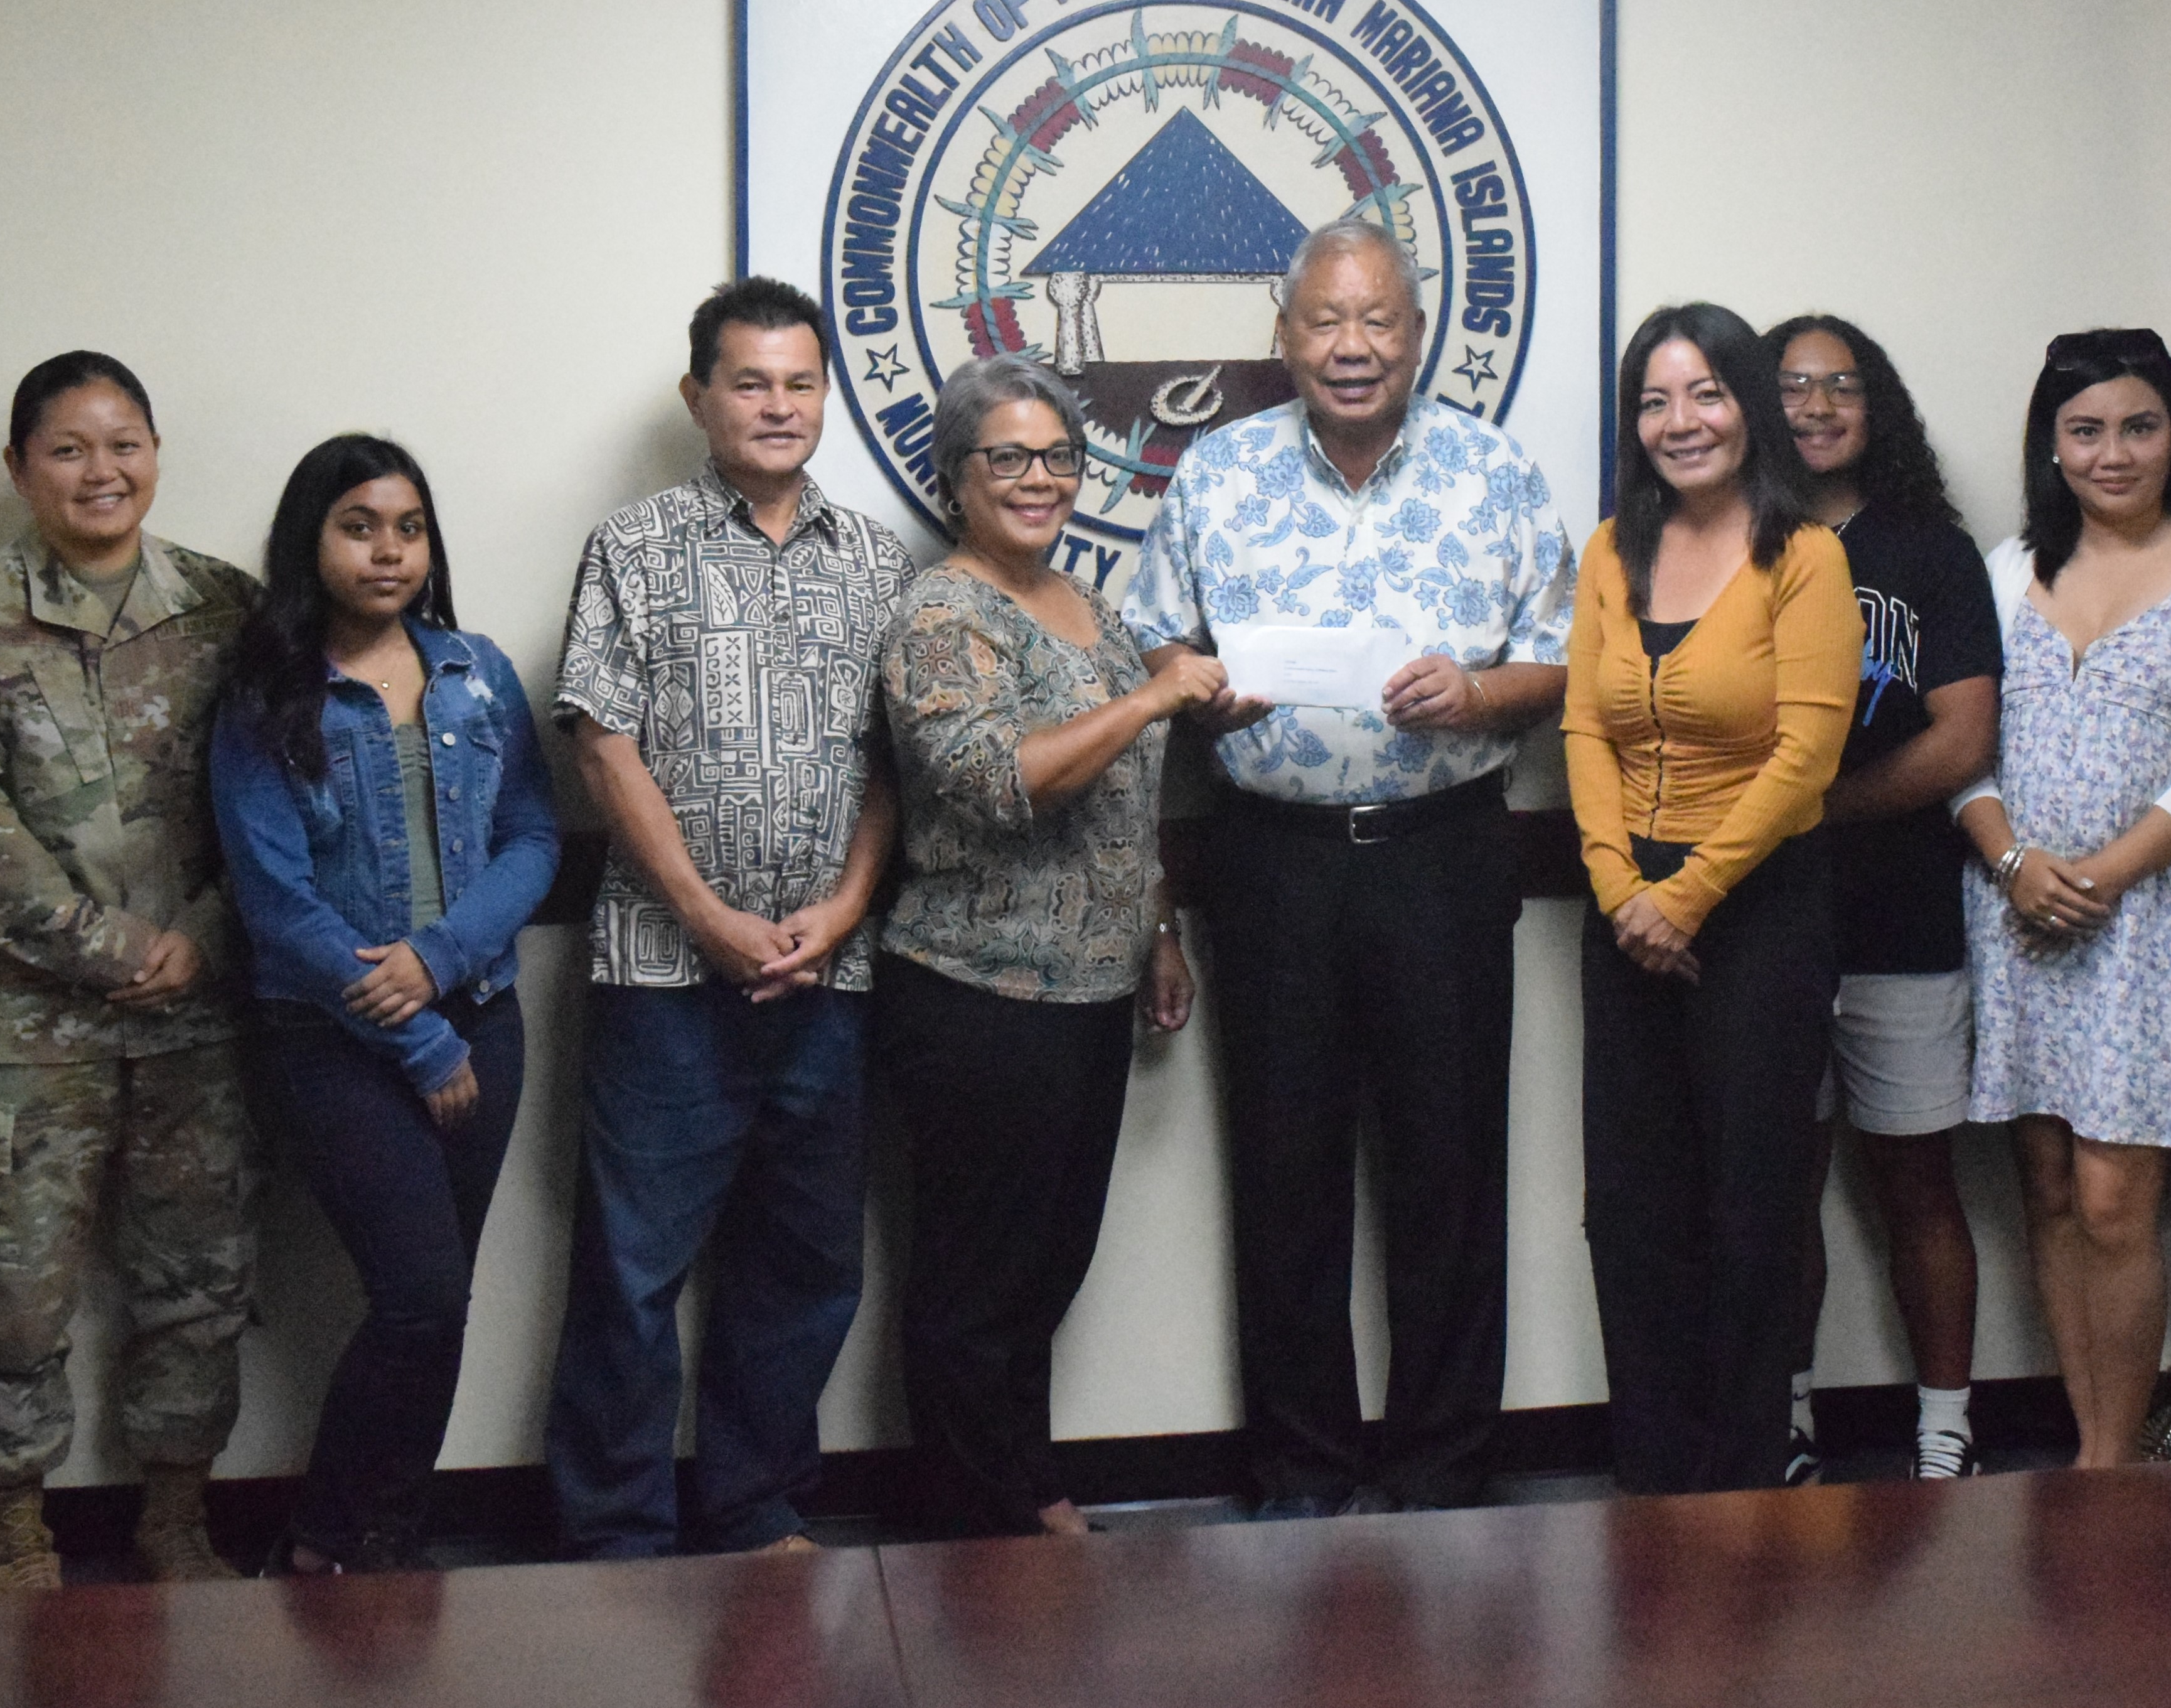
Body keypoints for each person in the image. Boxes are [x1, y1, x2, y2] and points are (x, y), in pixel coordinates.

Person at [1123, 219, 1572, 1517]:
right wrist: (1197, 693)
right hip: (1272, 866)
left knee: (1448, 1173)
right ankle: (1301, 1469)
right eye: (1324, 320)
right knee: (1283, 1176)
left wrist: (1478, 690)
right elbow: (1152, 649)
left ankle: (1443, 1469)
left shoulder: (1492, 470)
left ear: (1417, 332)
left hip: (1442, 858)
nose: (1351, 345)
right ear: (1282, 334)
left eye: (1377, 319)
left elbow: (1557, 657)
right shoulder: (1216, 473)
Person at [547, 278, 911, 1557]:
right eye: (748, 381)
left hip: (829, 974)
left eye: (798, 382)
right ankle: (613, 1533)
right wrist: (703, 913)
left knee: (804, 1268)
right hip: (663, 974)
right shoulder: (634, 545)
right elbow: (601, 741)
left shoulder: (873, 561)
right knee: (631, 1275)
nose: (776, 404)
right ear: (696, 393)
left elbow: (890, 765)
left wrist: (845, 906)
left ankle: (756, 1506)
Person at [0, 353, 261, 1589]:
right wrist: (106, 947)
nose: (101, 471)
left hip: (195, 1019)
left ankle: (175, 1522)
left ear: (156, 452)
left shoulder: (229, 606)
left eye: (123, 443)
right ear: (18, 467)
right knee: (9, 1296)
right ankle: (14, 1539)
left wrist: (200, 933)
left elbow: (278, 798)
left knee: (197, 1283)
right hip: (18, 1031)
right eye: (67, 448)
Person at [214, 435, 559, 1571]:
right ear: (310, 540)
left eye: (408, 527)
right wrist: (410, 1027)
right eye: (360, 525)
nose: (389, 549)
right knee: (415, 1294)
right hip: (333, 1043)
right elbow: (276, 901)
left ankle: (392, 1532)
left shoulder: (475, 670)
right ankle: (319, 1539)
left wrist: (442, 953)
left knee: (443, 1302)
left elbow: (531, 835)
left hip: (486, 1021)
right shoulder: (267, 692)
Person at [877, 357, 1208, 1537]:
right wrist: (1153, 698)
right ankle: (976, 1525)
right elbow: (994, 784)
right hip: (978, 993)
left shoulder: (1088, 601)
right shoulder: (941, 611)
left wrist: (1157, 927)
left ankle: (1029, 1484)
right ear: (954, 478)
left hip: (1091, 988)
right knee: (975, 1287)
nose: (1038, 479)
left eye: (1058, 456)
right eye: (1006, 458)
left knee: (1042, 1272)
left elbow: (1127, 793)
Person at [1949, 328, 2171, 1470]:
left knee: (2112, 1199)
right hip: (2020, 915)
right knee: (2044, 1186)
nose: (2113, 452)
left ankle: (2109, 1469)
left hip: (2158, 925)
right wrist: (2012, 865)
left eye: (2138, 426)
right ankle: (2095, 1441)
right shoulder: (2005, 568)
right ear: (2051, 444)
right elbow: (1963, 747)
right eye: (2085, 430)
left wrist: (2105, 872)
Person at [1561, 303, 1862, 1496]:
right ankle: (1654, 1472)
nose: (1680, 422)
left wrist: (1684, 900)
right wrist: (1620, 890)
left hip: (1757, 909)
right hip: (1623, 903)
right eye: (1654, 400)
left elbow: (1807, 759)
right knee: (1630, 1212)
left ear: (1749, 405)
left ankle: (1742, 1478)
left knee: (1752, 1208)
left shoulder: (1808, 557)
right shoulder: (1608, 550)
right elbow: (1585, 725)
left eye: (1705, 393)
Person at [1763, 314, 1996, 1483]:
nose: (1812, 405)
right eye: (1789, 383)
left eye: (1839, 384)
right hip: (1761, 925)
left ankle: (1944, 1434)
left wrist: (1810, 810)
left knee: (1918, 1183)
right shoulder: (1724, 542)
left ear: (1878, 405)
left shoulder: (1930, 552)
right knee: (1779, 1181)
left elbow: (1960, 741)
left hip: (1903, 919)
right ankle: (1791, 1419)